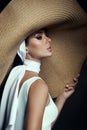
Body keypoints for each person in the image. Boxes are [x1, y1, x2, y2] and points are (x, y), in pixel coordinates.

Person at [0, 29, 79, 130]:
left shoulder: (17, 75)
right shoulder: (38, 85)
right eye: (39, 37)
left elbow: (44, 125)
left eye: (46, 35)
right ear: (25, 48)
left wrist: (62, 98)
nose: (48, 40)